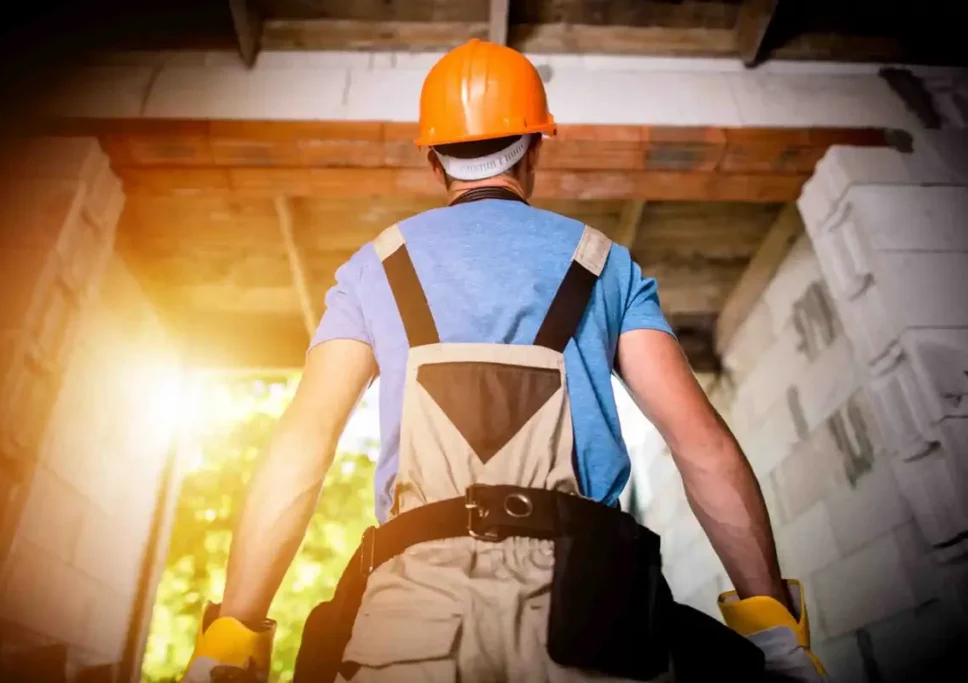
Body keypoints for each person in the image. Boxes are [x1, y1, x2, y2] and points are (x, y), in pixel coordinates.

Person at [181, 39, 829, 683]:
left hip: (412, 622)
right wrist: (772, 625)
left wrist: (233, 631)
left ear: (435, 161)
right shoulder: (603, 264)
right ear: (535, 149)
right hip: (594, 618)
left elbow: (302, 446)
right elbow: (701, 447)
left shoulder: (374, 271)